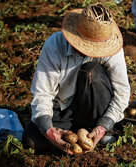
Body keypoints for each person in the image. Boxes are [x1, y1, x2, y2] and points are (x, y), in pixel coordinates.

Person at [22, 3, 130, 154]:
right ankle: (69, 133)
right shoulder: (54, 46)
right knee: (32, 141)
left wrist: (103, 125)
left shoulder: (111, 45)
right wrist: (49, 131)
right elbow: (42, 94)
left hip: (95, 107)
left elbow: (122, 92)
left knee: (91, 71)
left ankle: (101, 131)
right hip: (63, 108)